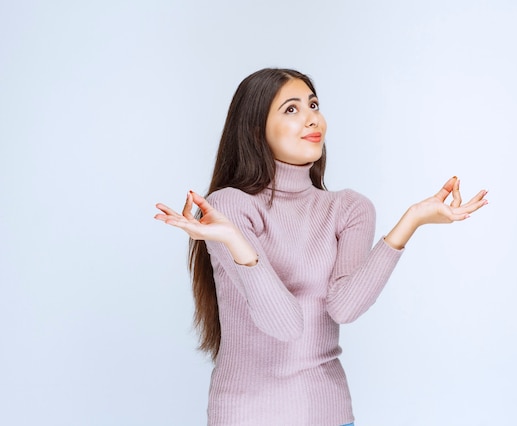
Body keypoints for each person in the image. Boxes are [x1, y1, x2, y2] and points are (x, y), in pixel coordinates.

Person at [154, 68, 488, 426]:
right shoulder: (229, 208)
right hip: (245, 415)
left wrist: (411, 221)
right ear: (255, 130)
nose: (312, 118)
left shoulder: (349, 208)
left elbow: (344, 308)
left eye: (313, 104)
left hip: (329, 413)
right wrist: (235, 239)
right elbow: (284, 324)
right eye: (292, 109)